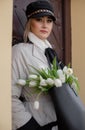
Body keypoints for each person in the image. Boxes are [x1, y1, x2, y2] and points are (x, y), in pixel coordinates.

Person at [12, 0, 58, 130]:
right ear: (29, 22)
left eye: (49, 21)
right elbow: (9, 96)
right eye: (39, 19)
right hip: (36, 120)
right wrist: (29, 126)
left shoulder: (51, 52)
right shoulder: (20, 51)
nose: (45, 25)